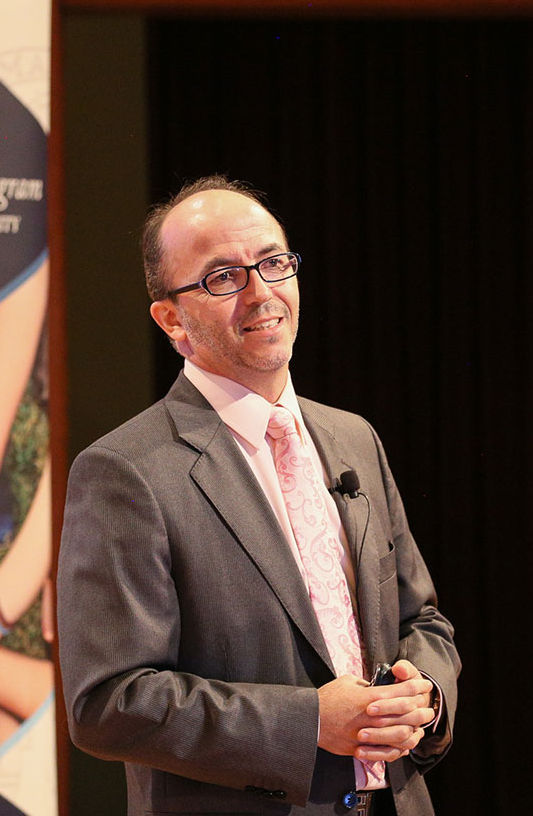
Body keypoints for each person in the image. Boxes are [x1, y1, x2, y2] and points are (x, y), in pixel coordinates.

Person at [57, 176, 459, 816]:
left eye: (274, 263)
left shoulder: (353, 439)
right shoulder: (125, 472)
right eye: (224, 277)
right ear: (171, 318)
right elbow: (108, 702)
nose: (262, 293)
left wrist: (426, 694)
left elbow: (421, 620)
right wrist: (308, 723)